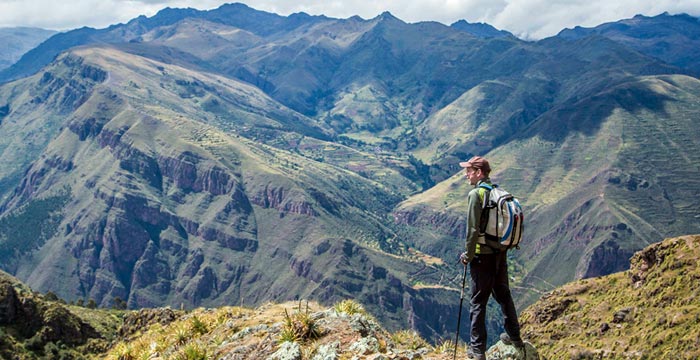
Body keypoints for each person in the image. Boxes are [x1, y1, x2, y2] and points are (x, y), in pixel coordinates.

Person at [458, 156, 524, 360]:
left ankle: (477, 351)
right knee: (504, 295)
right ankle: (515, 338)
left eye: (469, 170)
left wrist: (468, 255)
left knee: (478, 302)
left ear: (479, 173)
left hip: (482, 257)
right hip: (500, 254)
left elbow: (472, 230)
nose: (466, 174)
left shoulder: (476, 195)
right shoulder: (498, 193)